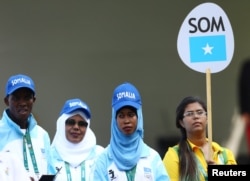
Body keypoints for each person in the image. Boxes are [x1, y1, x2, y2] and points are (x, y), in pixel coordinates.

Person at [93, 82, 170, 181]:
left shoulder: (152, 158)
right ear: (114, 119)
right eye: (121, 116)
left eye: (131, 114)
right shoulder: (104, 160)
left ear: (139, 117)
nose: (126, 121)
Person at [162, 96, 237, 181]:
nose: (196, 116)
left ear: (207, 118)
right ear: (181, 122)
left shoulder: (225, 155)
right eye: (189, 114)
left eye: (200, 112)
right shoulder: (174, 155)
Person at [0, 74, 51, 181]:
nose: (22, 103)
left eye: (27, 97)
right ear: (6, 101)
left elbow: (50, 171)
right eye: (16, 98)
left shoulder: (43, 135)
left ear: (34, 100)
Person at [48, 98, 104, 181]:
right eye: (71, 122)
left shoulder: (100, 155)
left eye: (82, 124)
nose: (76, 127)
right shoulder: (49, 156)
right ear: (61, 124)